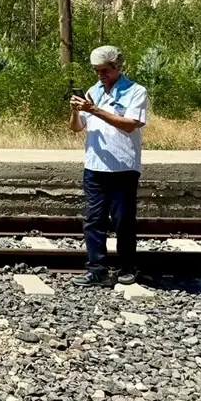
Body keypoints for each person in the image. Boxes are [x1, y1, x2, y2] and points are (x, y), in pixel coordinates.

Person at [70, 45, 149, 287]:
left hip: (123, 167)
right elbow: (76, 127)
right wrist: (75, 111)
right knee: (94, 220)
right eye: (96, 71)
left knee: (123, 220)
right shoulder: (94, 91)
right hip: (94, 166)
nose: (99, 75)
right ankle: (97, 269)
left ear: (117, 67)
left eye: (104, 70)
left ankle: (127, 266)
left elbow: (129, 124)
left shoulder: (136, 91)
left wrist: (94, 109)